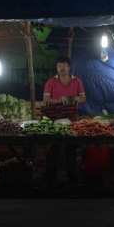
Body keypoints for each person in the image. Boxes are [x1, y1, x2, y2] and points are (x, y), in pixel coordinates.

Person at [42, 55, 86, 186]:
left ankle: (72, 179)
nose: (62, 68)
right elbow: (46, 99)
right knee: (53, 149)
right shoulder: (51, 82)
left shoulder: (77, 81)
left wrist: (73, 101)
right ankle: (50, 179)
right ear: (56, 67)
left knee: (71, 149)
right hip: (55, 119)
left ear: (69, 67)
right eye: (59, 66)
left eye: (64, 65)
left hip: (72, 119)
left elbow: (83, 98)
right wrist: (59, 100)